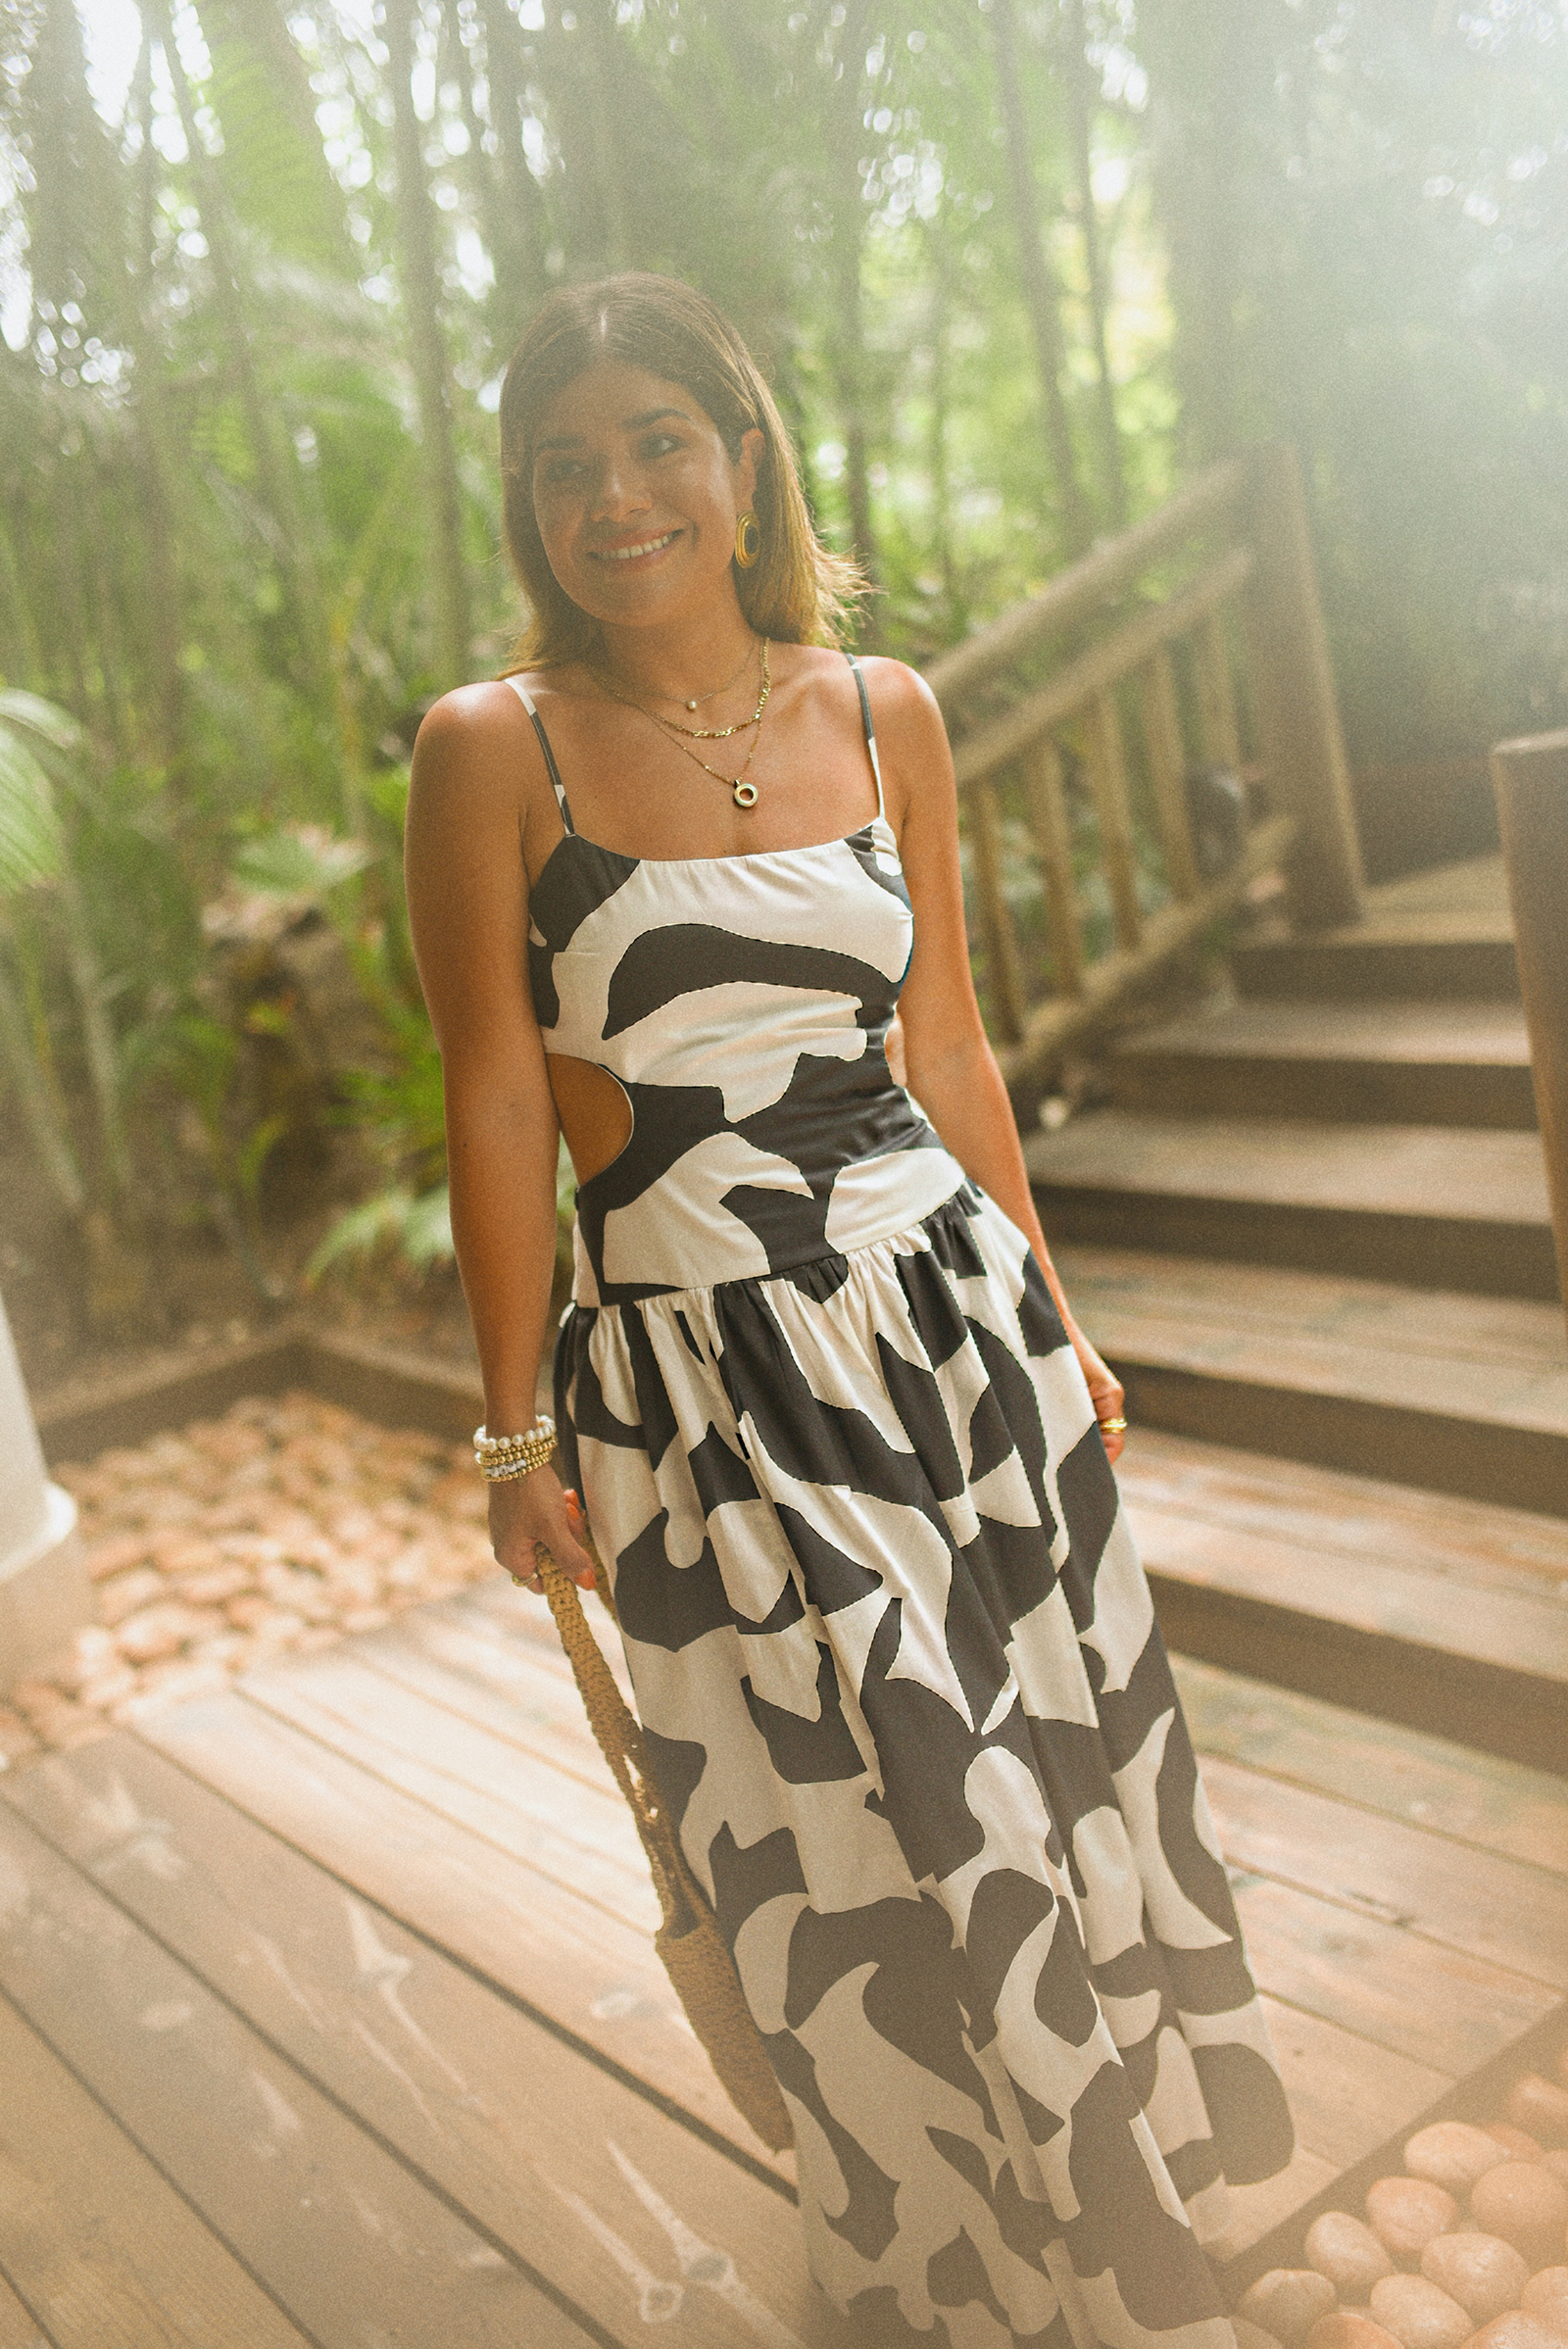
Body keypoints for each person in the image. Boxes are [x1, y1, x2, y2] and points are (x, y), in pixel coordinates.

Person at [405, 273, 1293, 2349]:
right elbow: (495, 1090)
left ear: (741, 455)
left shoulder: (880, 705)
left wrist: (1050, 1318)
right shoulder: (489, 749)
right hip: (707, 1370)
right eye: (562, 467)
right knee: (861, 1819)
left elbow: (949, 1037)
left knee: (1051, 1773)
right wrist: (516, 1435)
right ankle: (955, 2265)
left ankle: (1124, 2209)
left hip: (953, 1335)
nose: (613, 497)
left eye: (654, 443)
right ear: (527, 506)